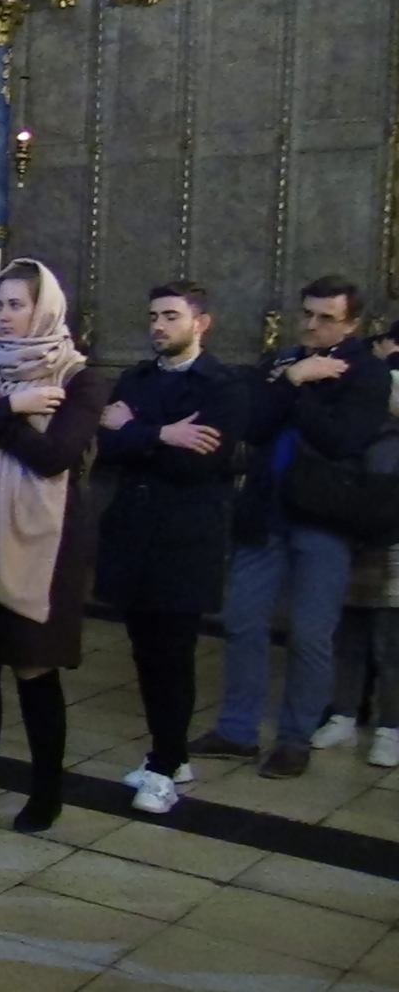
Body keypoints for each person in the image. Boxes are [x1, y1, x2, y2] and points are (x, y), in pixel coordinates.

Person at [0, 259, 106, 840]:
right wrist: (9, 407)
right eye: (0, 304)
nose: (4, 316)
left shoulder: (79, 379)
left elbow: (54, 456)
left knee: (35, 666)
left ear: (45, 309)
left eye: (17, 305)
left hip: (47, 543)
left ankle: (46, 793)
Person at [194, 277, 391, 778]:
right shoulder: (284, 362)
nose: (311, 324)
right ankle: (237, 731)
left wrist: (300, 391)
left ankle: (294, 738)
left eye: (326, 317)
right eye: (307, 313)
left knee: (309, 634)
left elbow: (342, 440)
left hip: (324, 517)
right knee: (243, 622)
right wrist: (290, 379)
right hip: (265, 512)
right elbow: (255, 425)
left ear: (352, 324)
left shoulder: (367, 373)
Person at [95, 281, 247, 814]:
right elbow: (107, 445)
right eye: (154, 316)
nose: (158, 326)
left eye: (171, 316)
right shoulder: (136, 378)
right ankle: (171, 752)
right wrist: (161, 435)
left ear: (200, 323)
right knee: (144, 651)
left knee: (173, 654)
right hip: (134, 531)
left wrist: (136, 430)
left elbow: (195, 463)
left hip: (184, 538)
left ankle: (164, 767)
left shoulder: (222, 386)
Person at [313, 320, 399, 768]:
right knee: (349, 626)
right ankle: (343, 713)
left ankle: (391, 726)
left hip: (394, 524)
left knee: (391, 637)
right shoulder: (367, 376)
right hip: (356, 514)